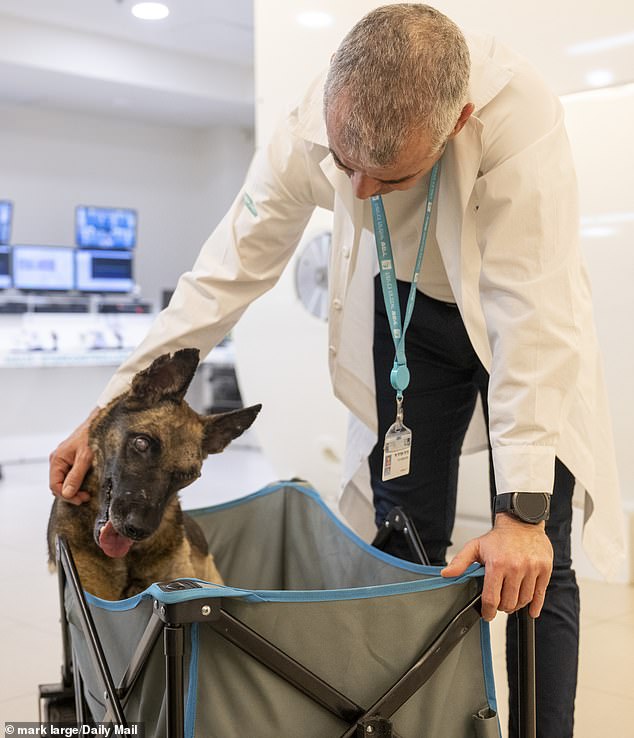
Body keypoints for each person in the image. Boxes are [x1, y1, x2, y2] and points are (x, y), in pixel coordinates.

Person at [49, 5, 624, 736]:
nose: (356, 194)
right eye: (345, 167)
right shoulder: (309, 121)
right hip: (409, 321)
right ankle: (402, 720)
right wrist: (103, 412)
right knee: (403, 533)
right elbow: (223, 275)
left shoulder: (522, 118)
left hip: (516, 317)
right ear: (332, 107)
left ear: (460, 122)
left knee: (539, 561)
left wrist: (521, 517)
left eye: (390, 177)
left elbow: (531, 315)